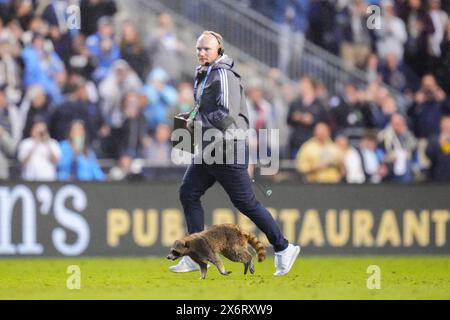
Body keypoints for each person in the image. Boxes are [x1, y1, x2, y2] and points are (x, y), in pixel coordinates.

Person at [169, 31, 300, 276]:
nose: (200, 53)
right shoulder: (205, 73)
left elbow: (225, 114)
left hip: (228, 147)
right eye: (198, 48)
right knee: (189, 192)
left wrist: (197, 124)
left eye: (206, 49)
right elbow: (204, 107)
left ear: (219, 49)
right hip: (212, 147)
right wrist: (193, 117)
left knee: (246, 203)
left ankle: (284, 247)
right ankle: (194, 252)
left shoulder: (223, 74)